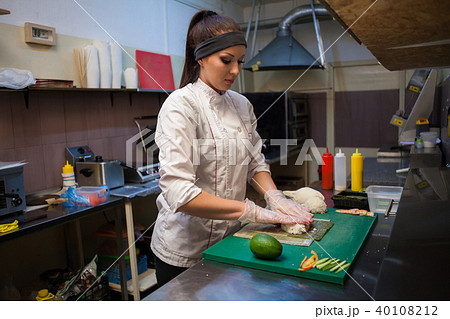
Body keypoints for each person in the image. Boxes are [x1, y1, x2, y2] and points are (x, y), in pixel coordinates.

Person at [150, 10, 314, 287]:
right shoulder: (181, 106)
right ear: (200, 58)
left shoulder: (241, 105)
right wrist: (253, 212)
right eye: (226, 60)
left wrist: (275, 197)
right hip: (184, 252)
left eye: (239, 61)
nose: (236, 70)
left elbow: (255, 164)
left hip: (231, 244)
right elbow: (179, 192)